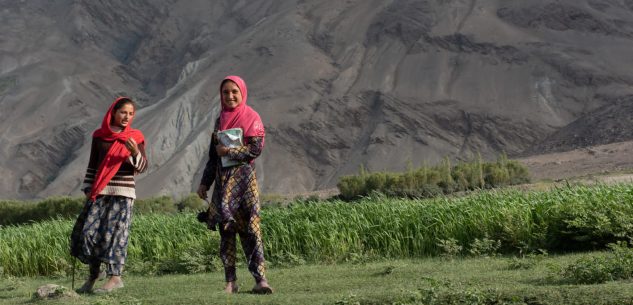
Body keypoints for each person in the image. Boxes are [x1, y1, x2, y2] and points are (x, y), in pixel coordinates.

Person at [197, 75, 273, 294]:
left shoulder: (251, 117)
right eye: (225, 92)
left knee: (251, 229)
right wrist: (205, 183)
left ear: (242, 93)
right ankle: (230, 282)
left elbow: (255, 149)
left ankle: (261, 280)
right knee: (226, 231)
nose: (230, 96)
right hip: (223, 182)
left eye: (234, 92)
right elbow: (213, 156)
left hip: (245, 181)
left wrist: (230, 151)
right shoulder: (219, 120)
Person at [70, 97, 148, 293]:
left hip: (123, 194)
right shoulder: (99, 136)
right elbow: (93, 166)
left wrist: (133, 152)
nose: (127, 117)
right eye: (123, 112)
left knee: (116, 236)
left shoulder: (135, 137)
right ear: (113, 112)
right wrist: (88, 190)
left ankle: (115, 277)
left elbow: (142, 166)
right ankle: (93, 276)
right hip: (100, 192)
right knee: (90, 233)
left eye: (131, 114)